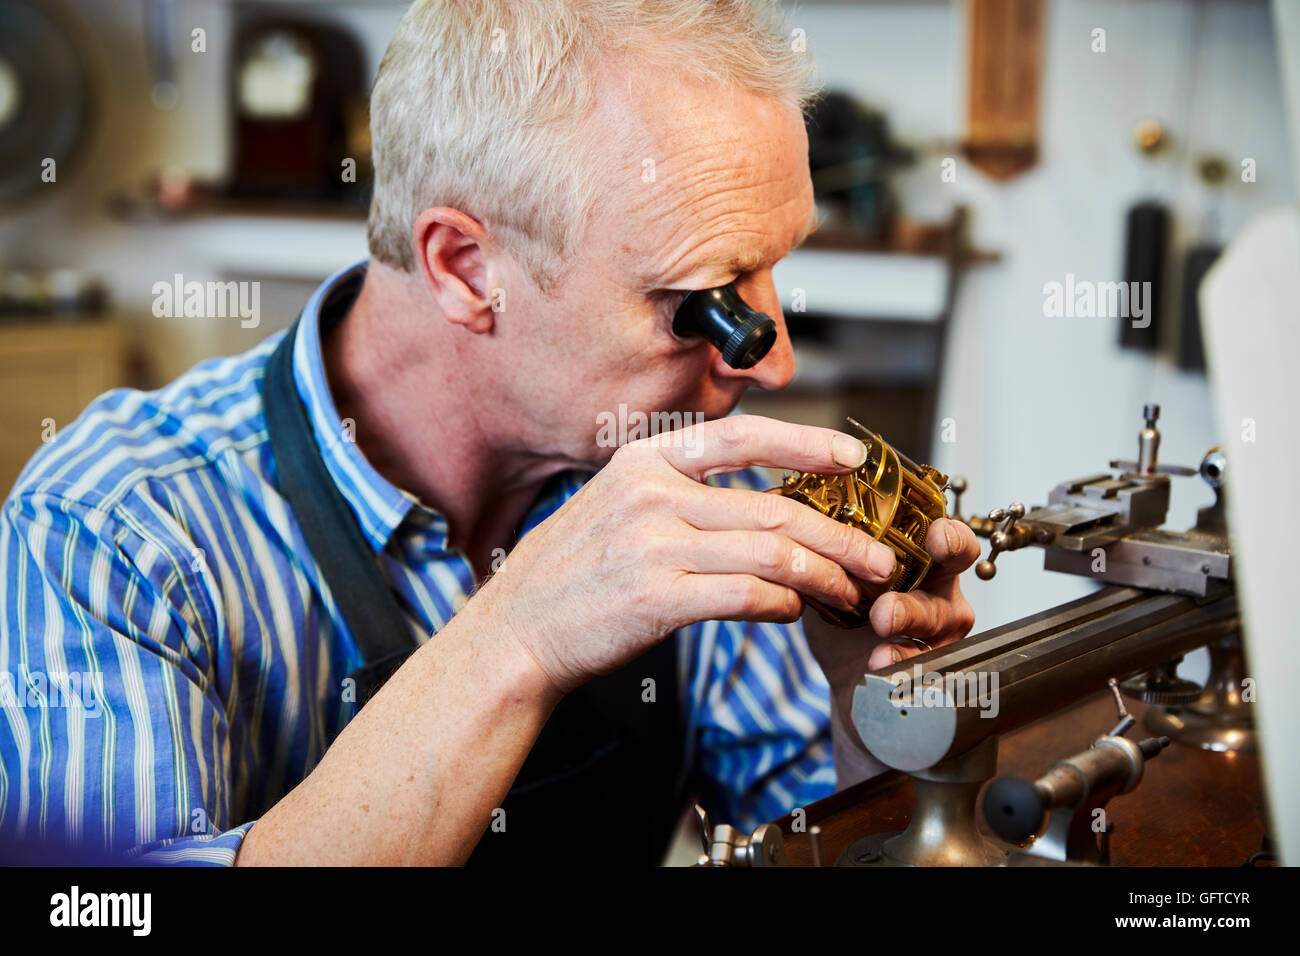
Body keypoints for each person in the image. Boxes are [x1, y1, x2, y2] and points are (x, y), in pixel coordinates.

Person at [0, 0, 978, 865]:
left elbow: (821, 841)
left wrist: (865, 701)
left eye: (774, 273)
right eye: (702, 304)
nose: (773, 363)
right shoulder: (114, 528)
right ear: (467, 269)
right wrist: (518, 633)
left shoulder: (683, 487)